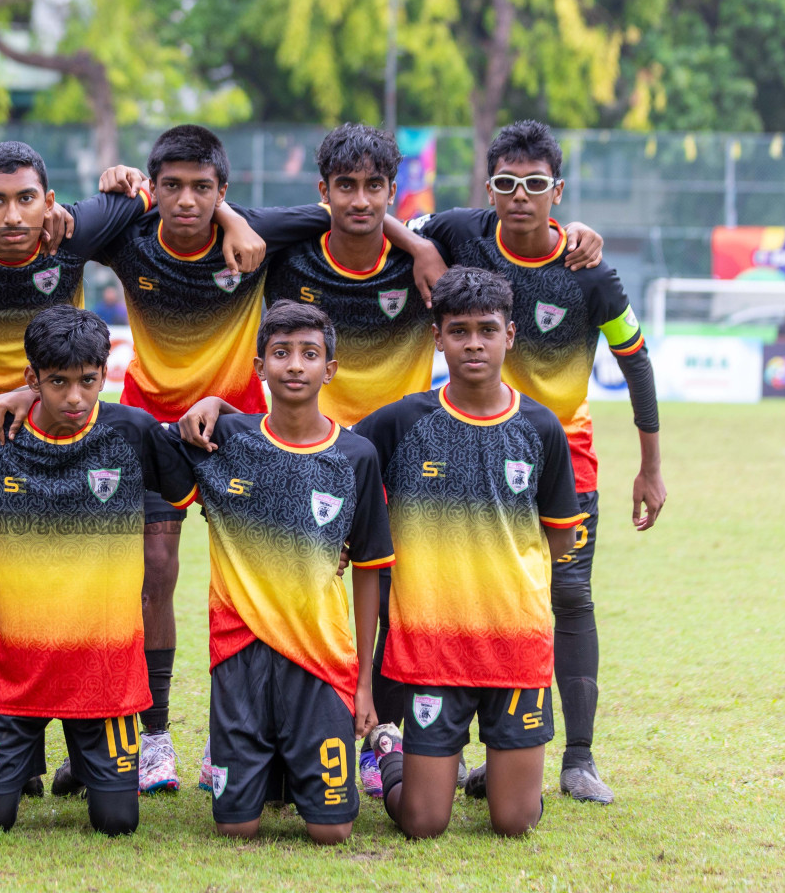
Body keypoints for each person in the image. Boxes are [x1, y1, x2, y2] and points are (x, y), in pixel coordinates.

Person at [0, 124, 433, 793]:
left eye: (203, 190)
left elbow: (347, 211)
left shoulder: (258, 231)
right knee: (152, 573)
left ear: (225, 192)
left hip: (238, 431)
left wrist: (415, 241)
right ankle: (151, 740)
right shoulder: (127, 230)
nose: (187, 201)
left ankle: (288, 737)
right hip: (146, 430)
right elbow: (50, 219)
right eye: (172, 187)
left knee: (274, 574)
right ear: (152, 190)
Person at [249, 121, 602, 796]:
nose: (361, 200)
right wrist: (404, 234)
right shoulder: (292, 251)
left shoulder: (436, 250)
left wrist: (573, 229)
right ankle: (278, 750)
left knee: (388, 603)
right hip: (310, 455)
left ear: (394, 190)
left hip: (401, 463)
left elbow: (503, 219)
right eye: (345, 188)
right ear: (324, 192)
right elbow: (246, 219)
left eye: (375, 187)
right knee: (297, 600)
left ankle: (388, 737)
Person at [0, 140, 258, 701]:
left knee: (64, 564)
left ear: (50, 201)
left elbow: (150, 192)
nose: (13, 216)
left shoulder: (75, 232)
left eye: (26, 199)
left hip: (52, 427)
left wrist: (205, 207)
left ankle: (80, 729)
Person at [413, 121, 665, 804]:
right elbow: (395, 222)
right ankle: (485, 751)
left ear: (557, 191)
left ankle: (578, 759)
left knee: (570, 596)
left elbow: (635, 360)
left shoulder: (591, 272)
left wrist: (650, 465)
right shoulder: (464, 233)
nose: (518, 197)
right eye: (504, 183)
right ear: (489, 188)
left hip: (565, 462)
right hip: (472, 452)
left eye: (533, 185)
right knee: (476, 593)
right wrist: (422, 255)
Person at [354, 266, 585, 839]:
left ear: (511, 335)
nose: (474, 343)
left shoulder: (540, 427)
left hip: (516, 644)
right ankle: (388, 748)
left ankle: (499, 772)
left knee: (514, 821)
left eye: (487, 329)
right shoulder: (402, 421)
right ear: (437, 337)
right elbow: (329, 455)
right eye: (459, 331)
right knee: (423, 822)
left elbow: (558, 536)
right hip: (433, 647)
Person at [0, 305, 198, 835]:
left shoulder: (133, 432)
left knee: (117, 823)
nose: (75, 398)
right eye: (57, 382)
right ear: (30, 378)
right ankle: (25, 764)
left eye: (89, 381)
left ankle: (84, 765)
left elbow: (213, 466)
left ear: (106, 372)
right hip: (14, 668)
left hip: (104, 671)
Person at [172, 300, 393, 842]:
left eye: (309, 354)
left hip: (321, 656)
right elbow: (128, 430)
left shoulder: (357, 455)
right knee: (236, 830)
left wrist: (365, 683)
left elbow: (368, 569)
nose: (295, 365)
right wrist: (212, 402)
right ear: (260, 366)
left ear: (330, 369)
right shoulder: (223, 441)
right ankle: (256, 766)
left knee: (332, 833)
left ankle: (388, 759)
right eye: (281, 353)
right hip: (238, 652)